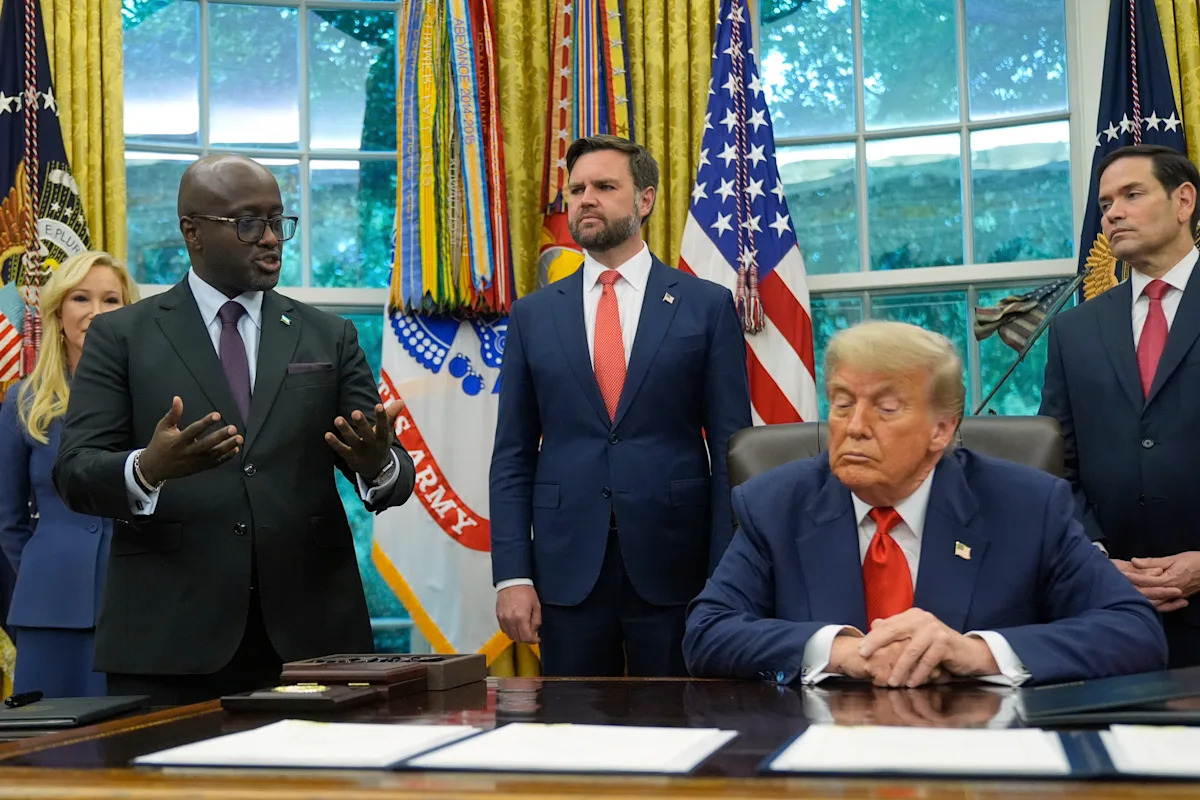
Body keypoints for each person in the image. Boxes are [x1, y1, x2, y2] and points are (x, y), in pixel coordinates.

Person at [53, 154, 416, 704]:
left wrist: (377, 465)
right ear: (192, 232)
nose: (271, 238)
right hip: (169, 640)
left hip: (312, 637)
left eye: (277, 221)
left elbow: (393, 471)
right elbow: (74, 472)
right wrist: (147, 469)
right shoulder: (121, 336)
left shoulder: (329, 336)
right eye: (248, 223)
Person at [685, 321, 1166, 688]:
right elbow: (707, 631)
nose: (855, 426)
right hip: (822, 756)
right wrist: (842, 652)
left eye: (886, 408)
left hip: (977, 757)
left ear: (942, 430)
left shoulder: (1027, 506)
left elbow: (1133, 630)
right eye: (842, 403)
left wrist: (974, 653)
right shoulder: (775, 504)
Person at [490, 134, 751, 676]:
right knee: (573, 723)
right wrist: (513, 574)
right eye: (576, 189)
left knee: (681, 719)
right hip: (566, 570)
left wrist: (727, 575)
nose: (586, 199)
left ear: (645, 199)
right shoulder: (533, 315)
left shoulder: (705, 306)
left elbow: (734, 451)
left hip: (679, 569)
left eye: (605, 187)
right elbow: (512, 454)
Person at [1040, 144, 1200, 668]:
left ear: (1184, 201)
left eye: (1132, 195)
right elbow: (1056, 464)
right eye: (1106, 203)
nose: (1113, 214)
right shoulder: (1074, 330)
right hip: (1109, 612)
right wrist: (1096, 559)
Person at [0, 251, 139, 697]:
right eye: (81, 298)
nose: (96, 312)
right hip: (49, 606)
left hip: (136, 605)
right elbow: (8, 522)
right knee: (49, 736)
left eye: (111, 300)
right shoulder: (24, 401)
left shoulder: (152, 398)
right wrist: (48, 569)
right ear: (59, 312)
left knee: (132, 733)